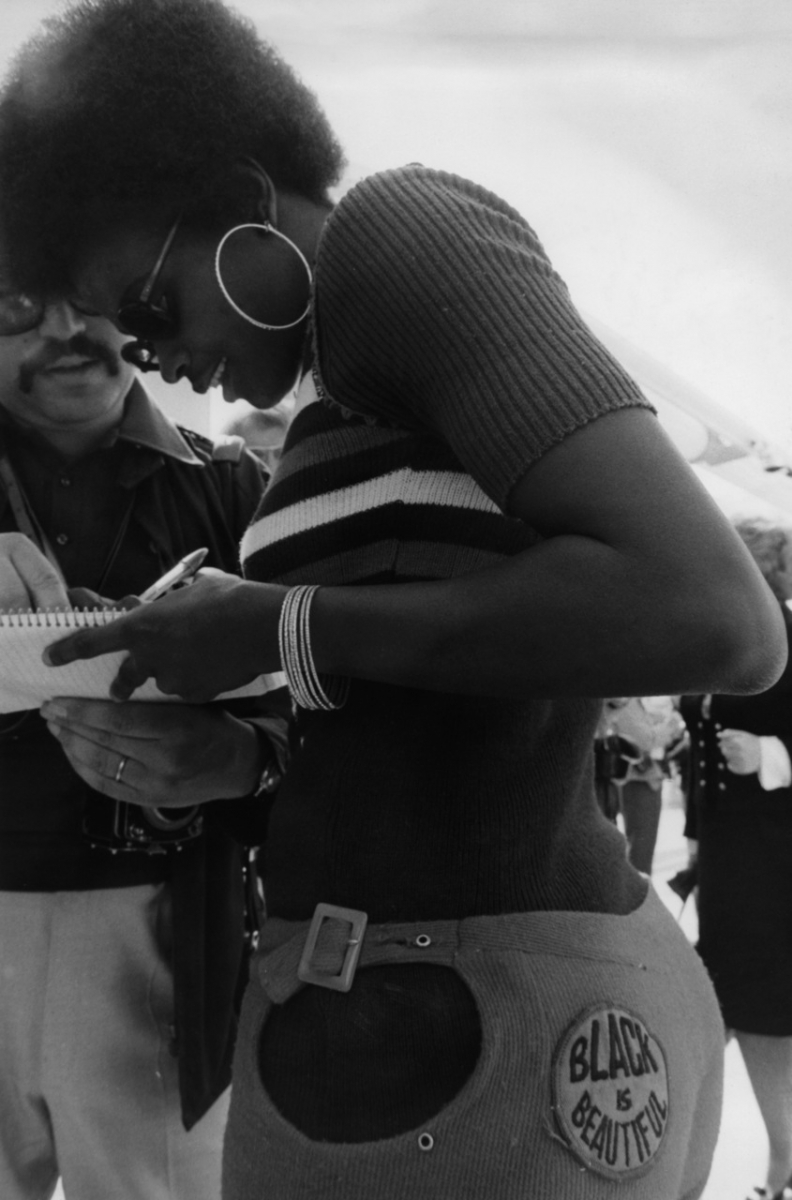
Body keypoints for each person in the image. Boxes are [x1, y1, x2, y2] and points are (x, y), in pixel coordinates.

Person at [0, 2, 785, 1196]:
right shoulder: (337, 392)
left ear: (241, 200)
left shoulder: (398, 234)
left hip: (498, 1024)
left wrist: (271, 624)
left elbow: (715, 617)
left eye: (146, 307)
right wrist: (234, 761)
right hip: (417, 1015)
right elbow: (413, 719)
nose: (149, 355)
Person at [0, 254, 287, 1200]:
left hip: (169, 926)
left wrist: (240, 759)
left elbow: (337, 719)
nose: (63, 330)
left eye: (91, 297)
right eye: (16, 302)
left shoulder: (239, 491)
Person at [680, 519, 792, 1200]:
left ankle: (783, 1162)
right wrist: (695, 838)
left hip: (774, 856)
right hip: (725, 855)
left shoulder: (790, 637)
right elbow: (698, 748)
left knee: (755, 1002)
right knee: (715, 994)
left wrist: (773, 755)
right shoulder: (717, 636)